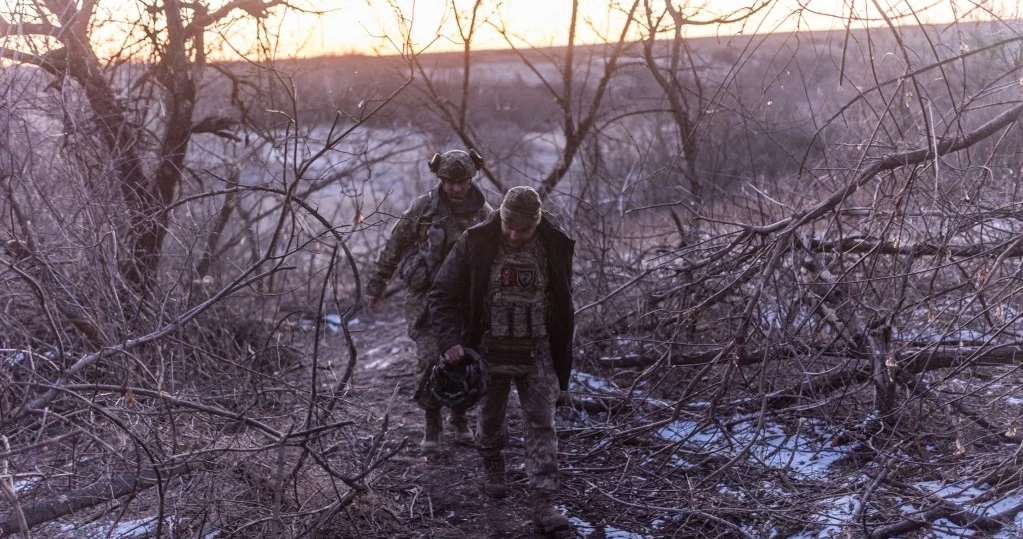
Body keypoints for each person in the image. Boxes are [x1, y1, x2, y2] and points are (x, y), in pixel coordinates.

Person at [428, 186, 575, 534]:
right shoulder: (476, 242)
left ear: (536, 223)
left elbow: (564, 303)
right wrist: (451, 341)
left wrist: (562, 358)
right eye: (509, 226)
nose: (513, 234)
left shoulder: (555, 244)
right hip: (488, 349)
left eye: (523, 230)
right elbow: (442, 294)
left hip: (537, 349)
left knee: (542, 421)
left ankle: (543, 500)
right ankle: (493, 462)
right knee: (490, 417)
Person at [364, 149, 493, 455]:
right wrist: (377, 283)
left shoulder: (484, 214)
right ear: (440, 179)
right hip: (426, 300)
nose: (457, 188)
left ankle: (459, 417)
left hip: (466, 302)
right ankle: (431, 422)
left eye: (462, 181)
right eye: (450, 181)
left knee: (465, 359)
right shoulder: (423, 209)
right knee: (429, 360)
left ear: (471, 178)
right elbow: (396, 244)